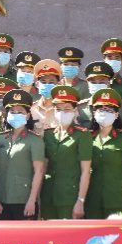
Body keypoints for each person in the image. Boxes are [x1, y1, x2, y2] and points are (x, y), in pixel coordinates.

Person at [41, 85, 93, 219]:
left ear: (75, 111)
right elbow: (43, 166)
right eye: (58, 109)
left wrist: (80, 200)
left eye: (67, 109)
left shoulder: (82, 135)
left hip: (69, 197)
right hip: (48, 195)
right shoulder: (48, 134)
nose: (62, 112)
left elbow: (86, 171)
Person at [85, 88, 122, 219]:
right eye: (101, 110)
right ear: (94, 113)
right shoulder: (87, 138)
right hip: (92, 201)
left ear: (116, 114)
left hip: (118, 200)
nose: (104, 113)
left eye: (109, 110)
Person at [0, 89, 45, 220]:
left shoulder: (35, 140)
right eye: (12, 111)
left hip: (23, 200)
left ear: (28, 115)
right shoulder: (0, 139)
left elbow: (39, 172)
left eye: (20, 112)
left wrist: (32, 200)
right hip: (1, 200)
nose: (16, 114)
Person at [102, 38, 122, 129]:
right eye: (110, 57)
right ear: (104, 59)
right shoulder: (94, 83)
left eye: (117, 58)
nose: (113, 61)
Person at [76, 61, 115, 126]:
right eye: (93, 82)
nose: (97, 85)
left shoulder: (121, 107)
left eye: (102, 82)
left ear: (109, 82)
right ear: (87, 83)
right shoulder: (80, 107)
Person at [30, 59, 62, 130]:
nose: (47, 85)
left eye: (51, 82)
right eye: (43, 82)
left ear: (59, 84)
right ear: (37, 84)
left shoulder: (65, 109)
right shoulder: (31, 109)